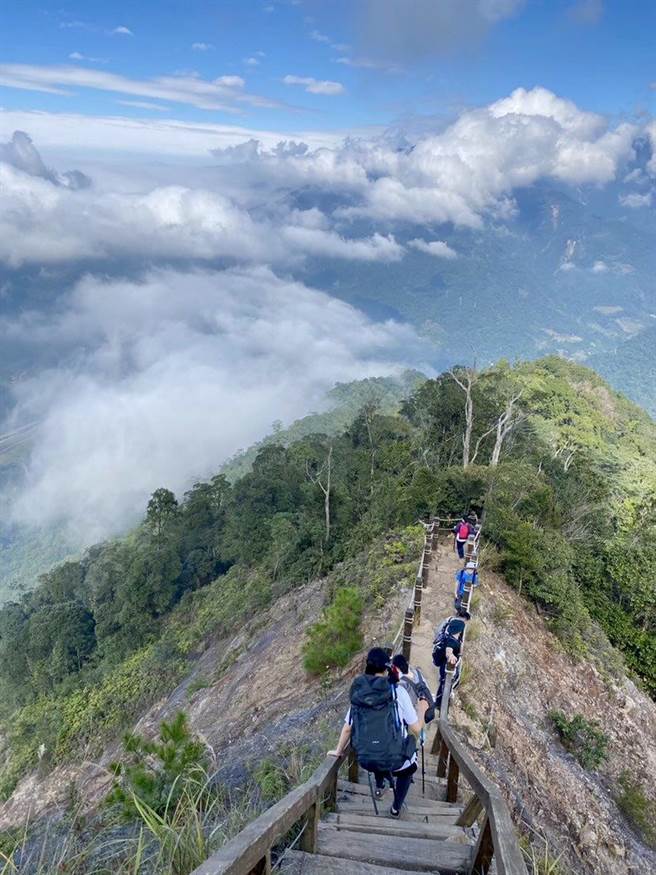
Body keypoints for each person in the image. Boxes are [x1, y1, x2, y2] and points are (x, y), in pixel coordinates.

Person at [328, 647, 429, 818]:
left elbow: (348, 727)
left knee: (376, 745)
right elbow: (416, 729)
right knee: (409, 766)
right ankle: (396, 808)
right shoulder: (397, 692)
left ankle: (380, 785)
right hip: (395, 758)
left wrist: (338, 751)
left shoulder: (359, 693)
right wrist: (422, 710)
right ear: (386, 668)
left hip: (366, 758)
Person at [432, 609, 470, 711]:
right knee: (446, 682)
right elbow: (449, 649)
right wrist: (451, 656)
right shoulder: (453, 639)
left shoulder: (449, 623)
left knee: (444, 682)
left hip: (441, 658)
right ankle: (440, 706)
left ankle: (440, 704)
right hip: (446, 662)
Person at [391, 654, 435, 724]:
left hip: (417, 716)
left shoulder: (402, 684)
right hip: (428, 709)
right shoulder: (417, 672)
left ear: (396, 668)